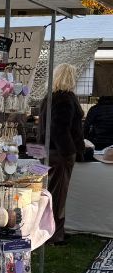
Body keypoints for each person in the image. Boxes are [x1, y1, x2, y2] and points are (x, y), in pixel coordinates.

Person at [39, 63, 85, 245]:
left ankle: (51, 231)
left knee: (50, 193)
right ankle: (54, 234)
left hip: (49, 151)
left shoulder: (50, 98)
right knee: (57, 195)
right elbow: (60, 130)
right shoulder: (65, 99)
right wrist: (70, 152)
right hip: (59, 154)